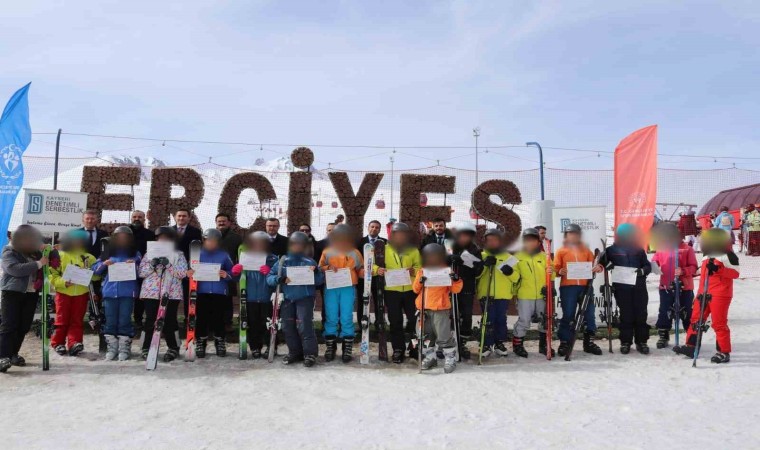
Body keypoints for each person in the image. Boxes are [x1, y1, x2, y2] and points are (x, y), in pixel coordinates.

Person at [674, 228, 739, 363]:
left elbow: (736, 273)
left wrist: (719, 269)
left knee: (719, 323)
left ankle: (723, 352)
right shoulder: (707, 255)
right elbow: (703, 272)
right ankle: (691, 346)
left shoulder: (728, 254)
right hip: (703, 292)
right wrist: (691, 272)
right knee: (695, 320)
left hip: (720, 293)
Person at [266, 232, 325, 367]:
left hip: (304, 298)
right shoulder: (282, 261)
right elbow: (269, 278)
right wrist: (279, 279)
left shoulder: (309, 262)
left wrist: (316, 272)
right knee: (287, 326)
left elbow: (319, 281)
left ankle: (309, 353)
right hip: (287, 298)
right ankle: (294, 352)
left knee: (304, 325)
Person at [0, 225, 47, 372]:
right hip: (12, 292)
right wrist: (39, 263)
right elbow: (14, 269)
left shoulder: (32, 251)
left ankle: (13, 354)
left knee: (24, 325)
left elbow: (47, 259)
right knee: (9, 325)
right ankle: (3, 356)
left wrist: (45, 250)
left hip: (31, 293)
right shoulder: (8, 251)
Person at [553, 223, 603, 357]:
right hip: (568, 287)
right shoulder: (561, 251)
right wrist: (559, 271)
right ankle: (565, 342)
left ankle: (589, 342)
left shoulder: (586, 250)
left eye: (575, 234)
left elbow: (595, 265)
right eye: (570, 234)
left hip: (585, 287)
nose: (573, 236)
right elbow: (555, 268)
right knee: (568, 314)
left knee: (589, 314)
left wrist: (599, 268)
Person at [138, 226, 187, 362]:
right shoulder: (149, 254)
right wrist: (152, 265)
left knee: (169, 321)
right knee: (150, 320)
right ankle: (146, 347)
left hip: (171, 292)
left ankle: (174, 347)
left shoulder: (179, 254)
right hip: (151, 292)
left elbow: (182, 273)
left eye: (166, 238)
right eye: (160, 238)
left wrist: (169, 265)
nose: (163, 241)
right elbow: (141, 273)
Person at [373, 222, 421, 363]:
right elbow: (371, 265)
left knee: (414, 320)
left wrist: (414, 271)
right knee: (395, 321)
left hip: (410, 290)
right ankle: (398, 349)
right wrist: (378, 270)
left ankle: (414, 347)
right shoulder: (383, 249)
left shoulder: (413, 250)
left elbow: (420, 267)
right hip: (391, 291)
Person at [92, 226, 141, 361]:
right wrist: (104, 264)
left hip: (127, 292)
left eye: (125, 237)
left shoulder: (135, 253)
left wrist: (134, 266)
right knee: (110, 320)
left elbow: (143, 271)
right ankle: (112, 348)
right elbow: (95, 269)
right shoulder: (107, 252)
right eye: (119, 237)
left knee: (124, 320)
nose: (122, 239)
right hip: (110, 291)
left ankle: (124, 348)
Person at [187, 229, 238, 358]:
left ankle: (220, 341)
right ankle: (201, 341)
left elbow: (234, 272)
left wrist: (226, 274)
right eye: (208, 240)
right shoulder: (196, 255)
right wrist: (189, 273)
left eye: (214, 241)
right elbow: (188, 271)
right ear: (204, 240)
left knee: (219, 319)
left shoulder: (223, 255)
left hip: (219, 292)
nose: (211, 243)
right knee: (201, 318)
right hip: (201, 292)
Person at [48, 229, 100, 356]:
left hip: (81, 293)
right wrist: (63, 282)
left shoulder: (90, 257)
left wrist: (89, 272)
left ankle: (74, 343)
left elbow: (97, 277)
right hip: (63, 293)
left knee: (77, 320)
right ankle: (58, 343)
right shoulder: (59, 255)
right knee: (61, 319)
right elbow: (52, 275)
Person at [602, 223, 652, 354]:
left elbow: (647, 266)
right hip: (622, 288)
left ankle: (642, 341)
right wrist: (607, 264)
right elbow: (601, 261)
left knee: (641, 314)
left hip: (639, 287)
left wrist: (642, 271)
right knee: (626, 315)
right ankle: (626, 341)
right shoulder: (612, 250)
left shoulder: (638, 249)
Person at [414, 243, 463, 373]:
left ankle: (450, 358)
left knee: (443, 335)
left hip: (440, 308)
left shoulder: (446, 271)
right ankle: (430, 357)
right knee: (425, 335)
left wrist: (456, 279)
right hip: (424, 308)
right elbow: (415, 289)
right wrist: (420, 282)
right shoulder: (422, 271)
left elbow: (456, 289)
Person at [318, 224, 363, 363]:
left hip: (347, 288)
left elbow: (360, 269)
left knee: (346, 316)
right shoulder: (327, 251)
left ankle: (346, 347)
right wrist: (327, 267)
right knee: (331, 316)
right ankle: (330, 347)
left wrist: (365, 273)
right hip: (331, 287)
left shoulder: (354, 252)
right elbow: (320, 267)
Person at [508, 228, 555, 357]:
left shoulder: (544, 256)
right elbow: (515, 277)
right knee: (524, 320)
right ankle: (518, 345)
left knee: (544, 320)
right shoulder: (517, 257)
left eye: (533, 240)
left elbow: (552, 274)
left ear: (538, 242)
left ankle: (544, 345)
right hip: (525, 294)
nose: (530, 243)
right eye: (527, 240)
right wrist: (509, 272)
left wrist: (552, 273)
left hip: (542, 294)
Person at [650, 222, 698, 349]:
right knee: (665, 310)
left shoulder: (687, 248)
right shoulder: (662, 248)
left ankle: (691, 337)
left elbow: (694, 267)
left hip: (684, 287)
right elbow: (655, 261)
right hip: (666, 286)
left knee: (686, 312)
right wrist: (654, 265)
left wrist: (683, 271)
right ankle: (663, 335)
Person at [476, 229, 515, 357]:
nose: (492, 242)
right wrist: (484, 265)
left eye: (495, 240)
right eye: (490, 240)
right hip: (486, 293)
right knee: (488, 319)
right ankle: (486, 343)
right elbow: (476, 275)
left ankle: (499, 342)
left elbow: (517, 278)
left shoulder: (508, 257)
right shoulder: (481, 255)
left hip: (503, 294)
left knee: (501, 319)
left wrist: (510, 272)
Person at [239, 231, 278, 358]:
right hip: (250, 297)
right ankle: (255, 347)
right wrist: (236, 272)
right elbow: (240, 278)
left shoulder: (273, 259)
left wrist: (270, 272)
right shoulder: (246, 257)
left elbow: (279, 279)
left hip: (267, 297)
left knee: (268, 323)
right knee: (253, 323)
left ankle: (270, 346)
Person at [448, 222, 482, 359]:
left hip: (466, 286)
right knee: (450, 314)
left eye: (468, 235)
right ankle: (448, 341)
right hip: (449, 286)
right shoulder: (450, 247)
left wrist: (462, 261)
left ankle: (461, 341)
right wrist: (448, 259)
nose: (464, 238)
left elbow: (478, 268)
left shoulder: (474, 249)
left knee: (465, 315)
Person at [173, 208, 202, 320]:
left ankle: (188, 319)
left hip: (189, 269)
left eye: (184, 216)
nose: (181, 218)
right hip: (172, 268)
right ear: (175, 217)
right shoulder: (169, 231)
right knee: (170, 296)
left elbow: (197, 251)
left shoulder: (195, 232)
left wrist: (192, 267)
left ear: (189, 218)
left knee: (189, 296)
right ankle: (170, 321)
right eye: (179, 215)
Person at [216, 213, 243, 328]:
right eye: (219, 221)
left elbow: (241, 255)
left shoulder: (236, 238)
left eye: (224, 221)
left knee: (227, 300)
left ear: (229, 223)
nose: (221, 223)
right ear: (216, 223)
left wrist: (237, 269)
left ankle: (228, 324)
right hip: (212, 273)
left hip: (228, 273)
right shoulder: (210, 236)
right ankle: (214, 324)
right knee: (213, 299)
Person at [129, 209, 155, 329]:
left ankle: (138, 320)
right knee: (128, 295)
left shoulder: (150, 234)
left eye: (140, 217)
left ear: (144, 219)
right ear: (131, 218)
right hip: (125, 269)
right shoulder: (125, 232)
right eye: (135, 217)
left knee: (140, 296)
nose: (137, 219)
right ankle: (126, 319)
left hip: (143, 269)